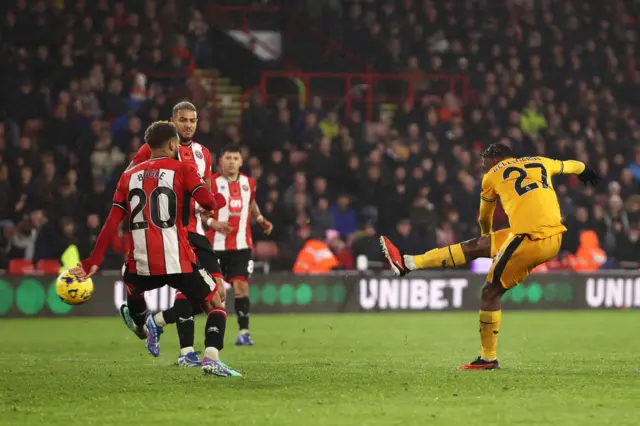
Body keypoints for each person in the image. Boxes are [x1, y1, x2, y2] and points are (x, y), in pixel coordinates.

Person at [380, 143, 599, 370]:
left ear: (495, 158)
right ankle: (408, 263)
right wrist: (585, 170)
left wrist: (486, 237)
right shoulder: (540, 161)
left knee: (490, 290)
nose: (482, 165)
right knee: (473, 247)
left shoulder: (492, 175)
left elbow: (485, 216)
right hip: (552, 234)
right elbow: (570, 165)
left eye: (484, 159)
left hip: (530, 238)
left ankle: (488, 358)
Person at [70, 121, 240, 377]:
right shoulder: (182, 168)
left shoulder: (127, 177)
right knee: (215, 302)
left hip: (139, 265)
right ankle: (211, 358)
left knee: (133, 289)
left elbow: (111, 222)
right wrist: (219, 199)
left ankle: (141, 326)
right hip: (177, 261)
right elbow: (208, 202)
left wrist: (93, 259)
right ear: (173, 144)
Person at [120, 101, 231, 367]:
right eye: (183, 120)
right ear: (172, 121)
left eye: (193, 121)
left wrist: (209, 215)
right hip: (172, 231)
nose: (188, 125)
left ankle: (159, 323)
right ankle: (188, 352)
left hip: (196, 228)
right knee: (199, 292)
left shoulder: (203, 153)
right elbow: (128, 178)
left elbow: (204, 190)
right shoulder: (153, 149)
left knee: (216, 292)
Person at [206, 143, 273, 346]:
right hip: (215, 246)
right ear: (220, 161)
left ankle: (244, 332)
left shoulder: (248, 182)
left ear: (241, 161)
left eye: (235, 158)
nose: (232, 162)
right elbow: (200, 210)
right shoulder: (211, 183)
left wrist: (260, 219)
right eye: (228, 158)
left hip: (242, 245)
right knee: (217, 292)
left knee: (242, 287)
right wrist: (213, 223)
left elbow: (251, 203)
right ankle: (216, 332)